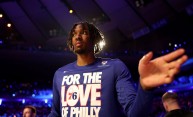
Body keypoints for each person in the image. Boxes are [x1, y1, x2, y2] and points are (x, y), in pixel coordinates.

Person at [48, 21, 188, 117]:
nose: (77, 36)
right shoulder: (60, 74)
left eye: (83, 32)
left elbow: (135, 114)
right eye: (74, 34)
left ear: (94, 39)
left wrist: (145, 88)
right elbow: (55, 114)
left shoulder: (114, 67)